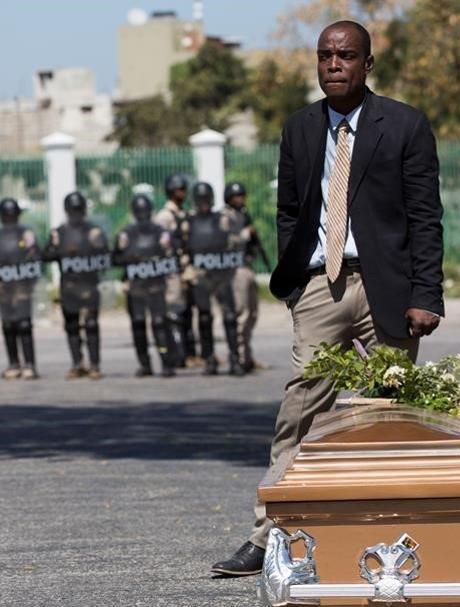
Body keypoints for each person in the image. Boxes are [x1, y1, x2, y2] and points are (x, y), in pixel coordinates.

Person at [211, 20, 444, 576]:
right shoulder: (299, 128)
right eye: (324, 56)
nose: (334, 65)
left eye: (346, 56)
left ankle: (397, 535)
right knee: (300, 408)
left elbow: (425, 217)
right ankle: (270, 534)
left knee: (393, 412)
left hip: (386, 289)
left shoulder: (405, 125)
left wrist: (426, 294)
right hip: (320, 286)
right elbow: (290, 212)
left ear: (368, 65)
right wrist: (295, 289)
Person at [179, 182, 245, 376]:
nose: (203, 204)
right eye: (200, 200)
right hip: (200, 276)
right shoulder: (188, 222)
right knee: (205, 318)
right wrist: (186, 270)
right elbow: (181, 247)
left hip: (222, 274)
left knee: (230, 317)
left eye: (206, 199)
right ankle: (209, 360)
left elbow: (235, 241)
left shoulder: (222, 219)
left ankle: (235, 359)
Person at [44, 191, 110, 380]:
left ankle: (95, 365)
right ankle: (77, 363)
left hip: (89, 285)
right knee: (71, 325)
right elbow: (45, 256)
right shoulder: (60, 232)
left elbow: (105, 255)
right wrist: (55, 247)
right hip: (69, 286)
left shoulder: (93, 231)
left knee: (91, 325)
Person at [114, 194, 178, 377]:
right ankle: (145, 364)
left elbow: (172, 254)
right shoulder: (126, 234)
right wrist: (129, 258)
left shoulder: (160, 232)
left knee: (159, 323)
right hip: (136, 288)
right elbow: (115, 258)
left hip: (155, 286)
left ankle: (166, 362)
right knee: (138, 324)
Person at [0, 197, 41, 379]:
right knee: (8, 325)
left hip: (22, 285)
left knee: (24, 324)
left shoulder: (26, 234)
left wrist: (31, 282)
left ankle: (30, 365)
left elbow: (35, 257)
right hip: (4, 287)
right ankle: (13, 364)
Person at [223, 181, 270, 374]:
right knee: (241, 313)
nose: (239, 199)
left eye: (241, 195)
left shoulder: (243, 214)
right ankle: (239, 356)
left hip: (247, 266)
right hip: (235, 269)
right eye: (236, 196)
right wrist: (245, 234)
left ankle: (247, 356)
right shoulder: (224, 217)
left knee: (252, 314)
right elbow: (225, 240)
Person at [153, 173, 198, 368]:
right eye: (180, 190)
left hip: (187, 267)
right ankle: (179, 355)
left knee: (190, 311)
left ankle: (192, 353)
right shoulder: (164, 216)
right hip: (173, 269)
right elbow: (161, 244)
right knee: (176, 312)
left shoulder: (184, 213)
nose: (184, 193)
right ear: (172, 192)